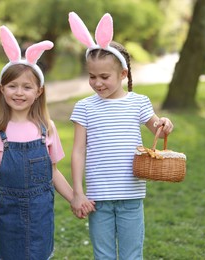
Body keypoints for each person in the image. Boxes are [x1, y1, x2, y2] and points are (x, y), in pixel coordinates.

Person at [0, 25, 94, 260]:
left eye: (27, 87)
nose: (19, 92)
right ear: (2, 89)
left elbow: (53, 172)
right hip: (8, 212)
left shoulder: (45, 128)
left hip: (40, 211)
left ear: (38, 92)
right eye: (12, 86)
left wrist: (75, 198)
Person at [68, 12, 174, 259]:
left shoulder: (138, 103)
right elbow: (78, 151)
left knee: (131, 255)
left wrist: (166, 124)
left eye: (104, 77)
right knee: (102, 255)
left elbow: (157, 126)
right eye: (92, 77)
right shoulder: (84, 107)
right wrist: (77, 192)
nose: (97, 83)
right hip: (98, 198)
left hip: (131, 194)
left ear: (123, 74)